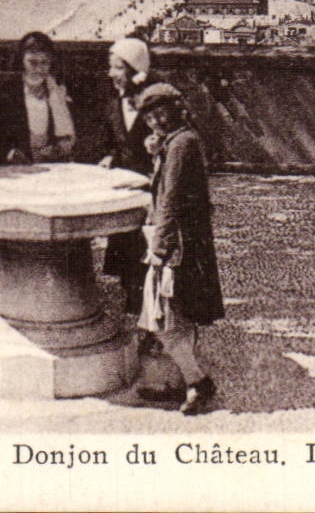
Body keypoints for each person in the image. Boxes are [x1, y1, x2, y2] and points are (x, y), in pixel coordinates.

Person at [134, 82, 224, 415]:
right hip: (183, 242)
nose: (155, 120)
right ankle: (183, 380)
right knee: (173, 316)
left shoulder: (182, 144)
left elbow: (170, 199)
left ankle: (197, 382)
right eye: (149, 114)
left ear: (177, 110)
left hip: (177, 246)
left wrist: (158, 248)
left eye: (162, 112)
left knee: (166, 318)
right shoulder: (179, 141)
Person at [98, 35, 156, 315]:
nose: (112, 74)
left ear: (135, 70)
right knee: (125, 247)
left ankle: (148, 313)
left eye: (118, 68)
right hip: (125, 185)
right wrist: (110, 156)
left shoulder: (155, 103)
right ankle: (131, 305)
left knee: (147, 249)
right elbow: (113, 141)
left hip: (150, 187)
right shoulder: (113, 104)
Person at [0, 31, 76, 166]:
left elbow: (67, 139)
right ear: (21, 62)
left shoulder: (57, 93)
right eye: (33, 63)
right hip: (16, 168)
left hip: (50, 166)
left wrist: (56, 150)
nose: (39, 69)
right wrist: (10, 153)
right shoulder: (4, 93)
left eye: (44, 63)